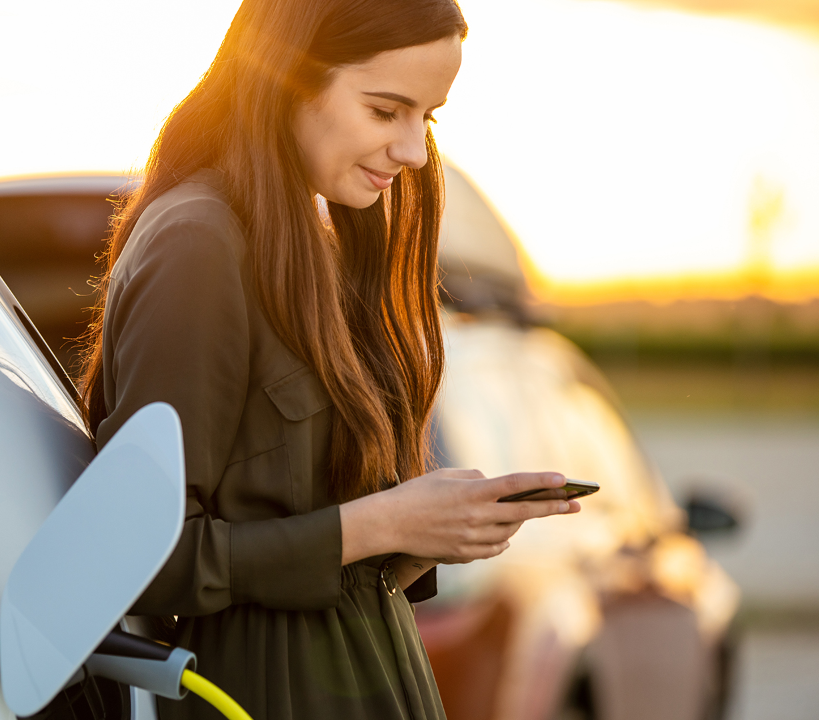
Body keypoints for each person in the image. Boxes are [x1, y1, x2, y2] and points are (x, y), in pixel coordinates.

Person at [79, 1, 580, 717]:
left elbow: (318, 542)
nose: (412, 151)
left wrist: (433, 529)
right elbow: (143, 562)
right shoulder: (199, 245)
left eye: (428, 118)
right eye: (386, 111)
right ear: (286, 79)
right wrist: (386, 524)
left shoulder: (317, 241)